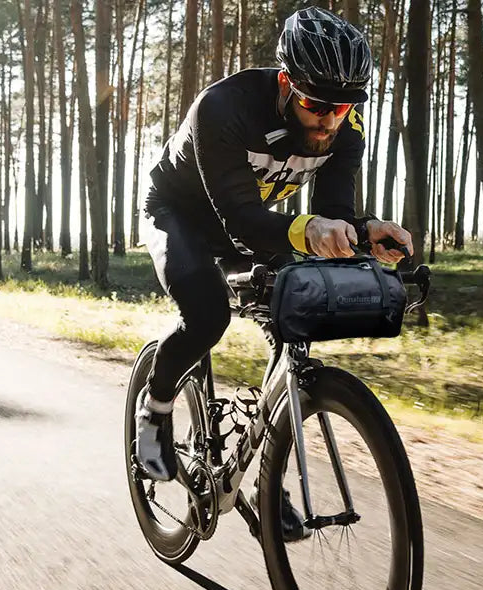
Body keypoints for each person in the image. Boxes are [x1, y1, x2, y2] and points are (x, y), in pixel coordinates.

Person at [134, 7, 414, 491]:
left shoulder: (346, 130)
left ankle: (266, 479)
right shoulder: (223, 108)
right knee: (206, 315)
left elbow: (334, 211)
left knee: (294, 316)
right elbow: (241, 218)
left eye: (343, 107)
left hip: (250, 222)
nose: (328, 121)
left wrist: (366, 230)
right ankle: (154, 411)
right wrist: (310, 230)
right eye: (316, 105)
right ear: (286, 82)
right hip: (177, 213)